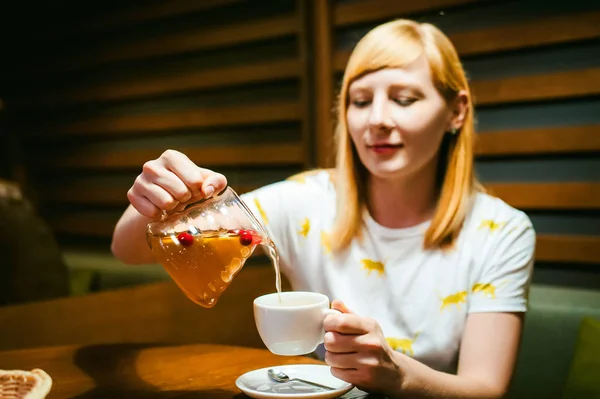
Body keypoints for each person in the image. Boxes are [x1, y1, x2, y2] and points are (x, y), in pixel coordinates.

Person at [111, 19, 535, 399]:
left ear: (456, 112)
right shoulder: (305, 202)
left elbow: (485, 388)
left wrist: (397, 374)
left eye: (404, 99)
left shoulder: (499, 231)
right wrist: (156, 202)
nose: (377, 120)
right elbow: (127, 250)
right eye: (361, 100)